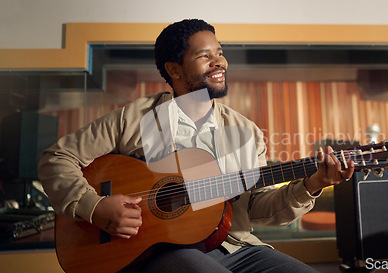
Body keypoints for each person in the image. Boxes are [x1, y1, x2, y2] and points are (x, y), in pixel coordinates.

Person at [38, 19, 355, 273]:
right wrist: (94, 207)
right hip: (156, 251)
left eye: (219, 52)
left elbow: (258, 207)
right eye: (205, 56)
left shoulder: (246, 131)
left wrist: (313, 184)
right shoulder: (132, 118)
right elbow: (56, 158)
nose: (220, 62)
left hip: (237, 248)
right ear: (174, 70)